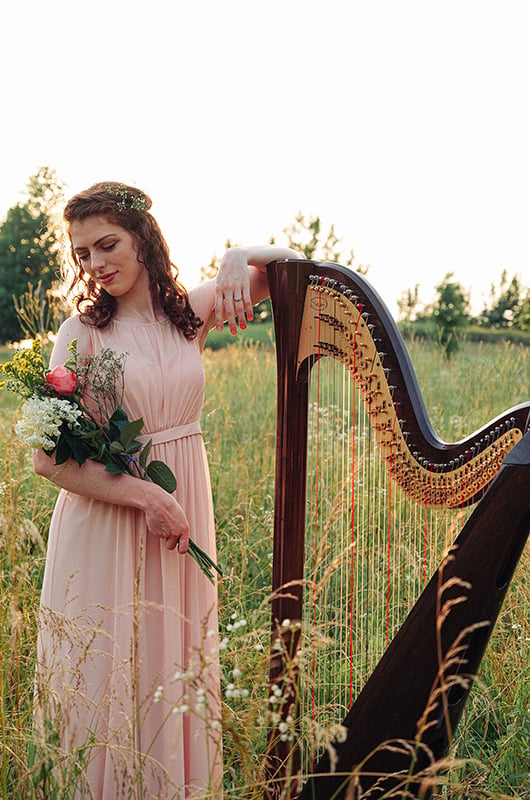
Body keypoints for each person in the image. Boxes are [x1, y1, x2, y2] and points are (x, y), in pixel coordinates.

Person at [32, 181, 301, 799]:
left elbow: (290, 269)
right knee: (110, 666)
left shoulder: (190, 313)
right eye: (82, 254)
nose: (96, 265)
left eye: (107, 245)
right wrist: (145, 498)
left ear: (143, 239)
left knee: (172, 660)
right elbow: (49, 462)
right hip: (112, 518)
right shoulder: (81, 332)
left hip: (184, 509)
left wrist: (237, 255)